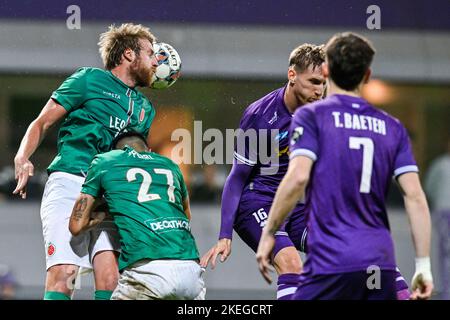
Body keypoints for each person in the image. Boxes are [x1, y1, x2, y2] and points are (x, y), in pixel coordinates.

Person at [256, 32, 434, 300]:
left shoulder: (312, 116)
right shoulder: (392, 127)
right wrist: (423, 265)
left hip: (331, 261)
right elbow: (415, 197)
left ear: (326, 70)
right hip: (379, 262)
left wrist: (270, 231)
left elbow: (298, 178)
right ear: (367, 75)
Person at [12, 23, 159, 300]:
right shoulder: (88, 79)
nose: (156, 61)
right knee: (65, 274)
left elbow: (135, 159)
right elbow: (42, 122)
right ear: (128, 54)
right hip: (71, 182)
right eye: (150, 53)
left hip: (109, 197)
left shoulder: (146, 109)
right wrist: (23, 156)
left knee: (112, 279)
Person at [201, 44, 326, 300]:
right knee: (292, 264)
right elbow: (236, 178)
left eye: (323, 83)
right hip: (258, 202)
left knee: (343, 252)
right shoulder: (260, 116)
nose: (319, 90)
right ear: (292, 75)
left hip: (296, 204)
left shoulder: (321, 112)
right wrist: (225, 235)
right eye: (313, 81)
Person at [69, 132, 205, 300]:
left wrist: (101, 215)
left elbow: (76, 226)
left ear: (117, 150)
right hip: (191, 270)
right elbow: (186, 215)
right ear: (149, 150)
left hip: (147, 271)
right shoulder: (170, 164)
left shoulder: (106, 161)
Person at [425, 136, 450, 299]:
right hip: (444, 210)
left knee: (446, 252)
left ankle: (447, 291)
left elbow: (428, 187)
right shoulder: (441, 164)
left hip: (443, 211)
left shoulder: (441, 164)